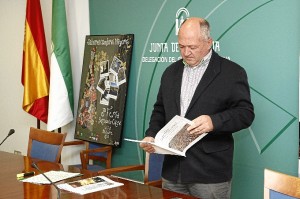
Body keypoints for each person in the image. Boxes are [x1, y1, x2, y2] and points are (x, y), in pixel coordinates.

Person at [139, 17, 255, 199]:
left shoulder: (232, 72)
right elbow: (160, 110)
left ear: (209, 43)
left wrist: (213, 122)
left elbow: (245, 113)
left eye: (192, 47)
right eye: (181, 47)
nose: (186, 52)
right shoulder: (170, 73)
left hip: (209, 174)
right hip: (172, 171)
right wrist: (152, 134)